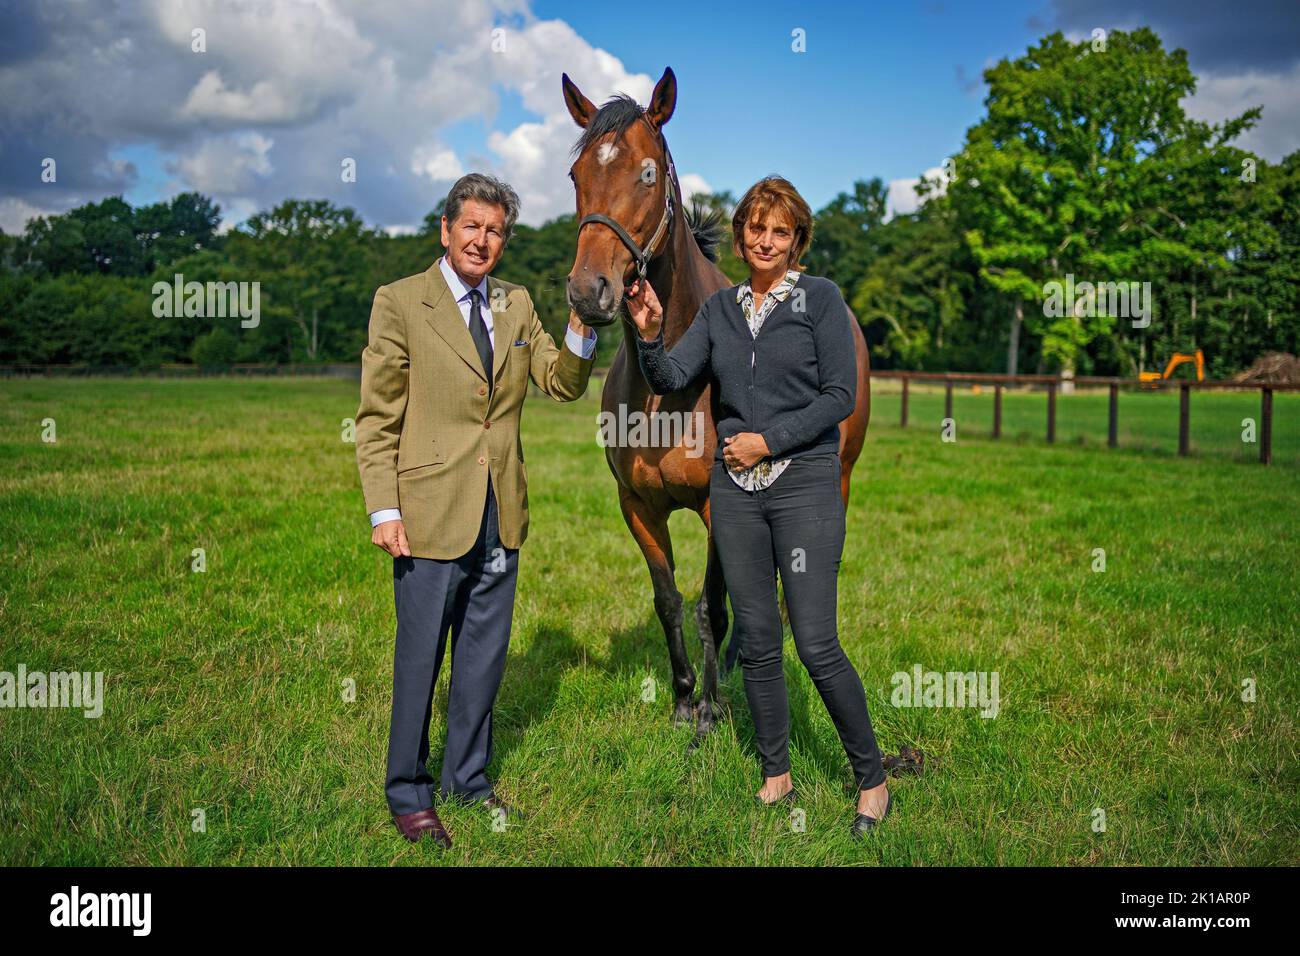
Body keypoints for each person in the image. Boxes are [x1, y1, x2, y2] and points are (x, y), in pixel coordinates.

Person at [628, 176, 891, 837]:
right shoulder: (720, 312)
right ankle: (776, 772)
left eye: (781, 231)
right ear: (741, 233)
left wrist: (766, 440)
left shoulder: (821, 301)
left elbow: (839, 399)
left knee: (816, 642)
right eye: (756, 228)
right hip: (736, 497)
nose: (766, 240)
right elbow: (669, 378)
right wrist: (650, 336)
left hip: (803, 485)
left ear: (796, 239)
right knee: (761, 643)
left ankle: (872, 778)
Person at [355, 173, 597, 847]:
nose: (481, 240)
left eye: (494, 231)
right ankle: (407, 790)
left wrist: (582, 324)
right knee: (421, 655)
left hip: (502, 512)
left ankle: (468, 781)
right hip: (428, 512)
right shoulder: (401, 302)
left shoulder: (517, 305)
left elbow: (560, 382)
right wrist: (384, 511)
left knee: (484, 656)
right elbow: (377, 419)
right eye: (471, 226)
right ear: (446, 230)